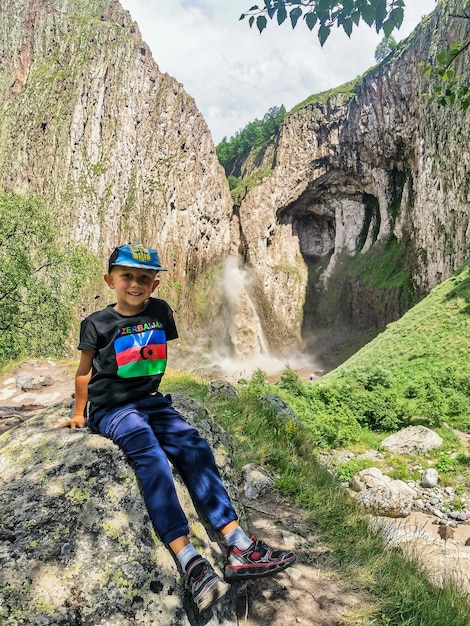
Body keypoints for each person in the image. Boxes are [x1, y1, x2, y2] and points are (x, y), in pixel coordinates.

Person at [56, 243, 296, 612]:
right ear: (110, 280)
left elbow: (149, 355)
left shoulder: (161, 312)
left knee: (196, 448)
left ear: (154, 284)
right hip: (112, 408)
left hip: (151, 401)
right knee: (151, 458)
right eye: (127, 276)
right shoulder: (97, 324)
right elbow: (84, 371)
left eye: (144, 278)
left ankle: (239, 544)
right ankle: (191, 562)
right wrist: (79, 412)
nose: (135, 284)